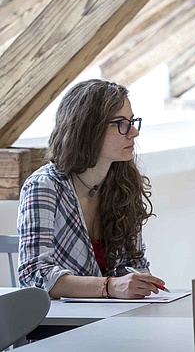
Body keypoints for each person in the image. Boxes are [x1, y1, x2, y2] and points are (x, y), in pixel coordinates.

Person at [17, 79, 166, 299]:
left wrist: (140, 283)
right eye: (121, 123)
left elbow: (134, 264)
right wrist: (109, 287)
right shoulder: (44, 186)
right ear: (88, 129)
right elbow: (34, 275)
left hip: (110, 317)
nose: (133, 132)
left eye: (132, 121)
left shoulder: (124, 183)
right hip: (58, 325)